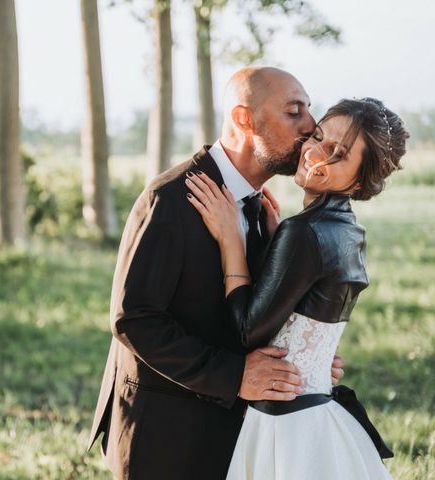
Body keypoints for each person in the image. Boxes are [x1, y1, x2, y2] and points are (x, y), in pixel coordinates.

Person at [88, 66, 345, 479]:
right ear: (244, 119)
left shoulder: (266, 210)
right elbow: (134, 319)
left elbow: (253, 316)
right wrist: (236, 376)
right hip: (165, 437)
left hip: (232, 438)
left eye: (308, 111)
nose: (311, 127)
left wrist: (306, 358)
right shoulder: (170, 199)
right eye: (294, 112)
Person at [185, 97, 407, 479]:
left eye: (337, 153)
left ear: (359, 181)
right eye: (318, 136)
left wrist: (231, 241)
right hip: (318, 415)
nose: (313, 152)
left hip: (284, 426)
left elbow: (246, 331)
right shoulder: (350, 232)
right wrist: (277, 252)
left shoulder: (303, 232)